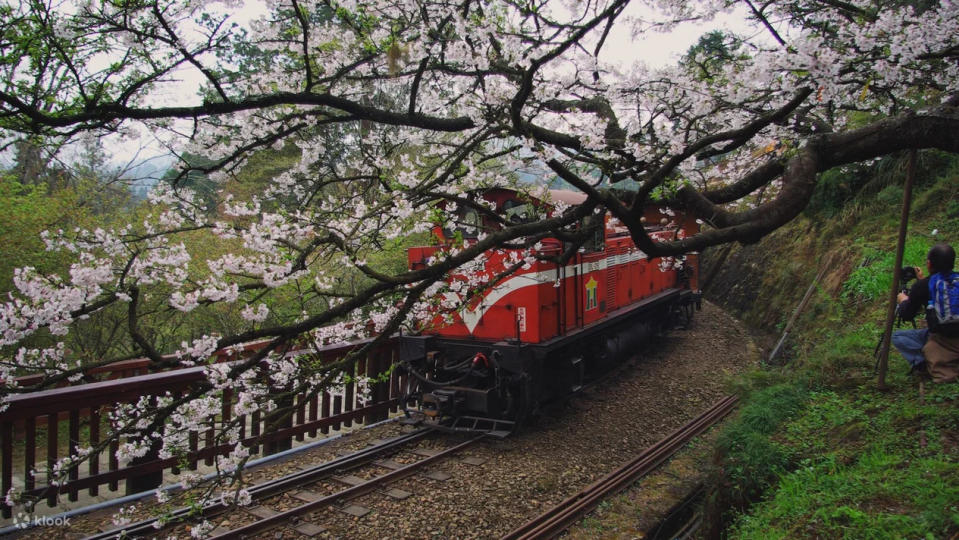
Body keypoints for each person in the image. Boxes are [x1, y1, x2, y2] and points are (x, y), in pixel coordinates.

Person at [891, 243, 959, 382]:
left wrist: (903, 300)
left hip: (942, 337)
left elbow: (907, 315)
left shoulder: (922, 286)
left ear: (929, 264)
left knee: (898, 337)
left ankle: (924, 364)